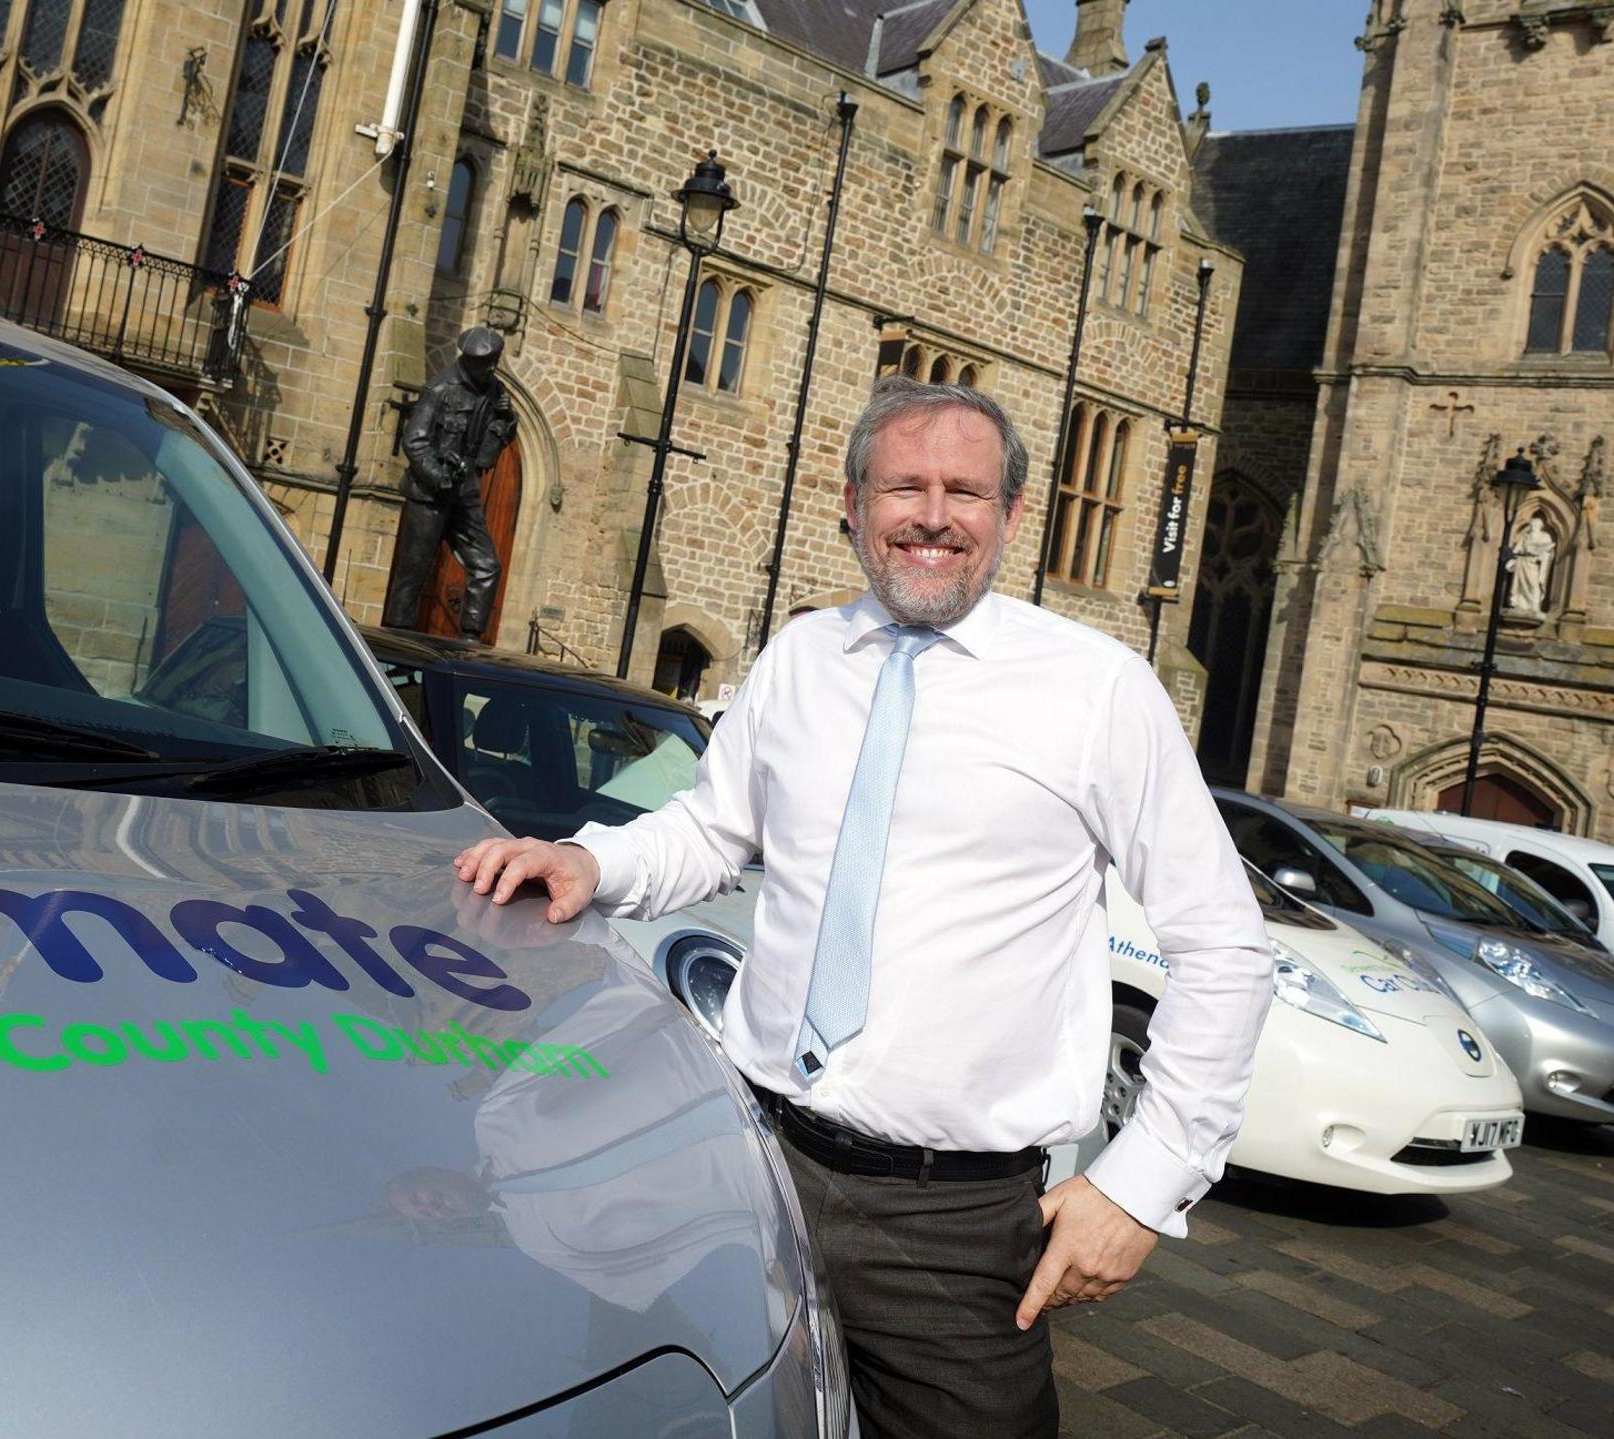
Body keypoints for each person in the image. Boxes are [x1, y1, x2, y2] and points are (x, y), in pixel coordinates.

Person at [453, 377, 1273, 1438]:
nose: (933, 514)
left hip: (951, 1219)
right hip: (740, 1154)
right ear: (851, 503)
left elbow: (1224, 946)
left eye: (966, 492)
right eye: (905, 486)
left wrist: (1142, 1181)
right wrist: (588, 863)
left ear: (1011, 517)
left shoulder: (1098, 692)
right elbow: (711, 827)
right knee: (650, 1415)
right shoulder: (801, 658)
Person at [385, 327, 517, 639]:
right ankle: (397, 637)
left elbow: (497, 440)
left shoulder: (494, 391)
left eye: (495, 361)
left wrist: (507, 418)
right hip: (430, 494)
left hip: (464, 492)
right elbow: (415, 441)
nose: (492, 368)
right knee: (413, 571)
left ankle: (470, 639)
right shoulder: (440, 389)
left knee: (487, 566)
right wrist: (438, 474)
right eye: (486, 362)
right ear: (468, 360)